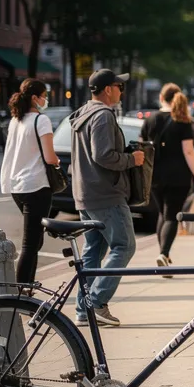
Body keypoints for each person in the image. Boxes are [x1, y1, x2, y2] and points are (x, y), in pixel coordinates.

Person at [69, 70, 143, 327]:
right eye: (118, 86)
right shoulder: (102, 116)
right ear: (107, 89)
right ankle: (97, 303)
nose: (121, 90)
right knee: (125, 246)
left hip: (85, 194)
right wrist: (132, 159)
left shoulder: (82, 113)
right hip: (105, 195)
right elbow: (103, 155)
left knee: (93, 253)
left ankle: (83, 310)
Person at [0, 79, 61, 285]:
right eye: (44, 95)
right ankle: (23, 289)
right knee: (31, 244)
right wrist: (58, 161)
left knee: (34, 240)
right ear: (35, 98)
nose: (46, 100)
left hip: (18, 185)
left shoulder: (16, 120)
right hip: (36, 186)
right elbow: (50, 157)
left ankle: (27, 286)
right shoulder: (40, 120)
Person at [142, 84, 194, 271]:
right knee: (171, 216)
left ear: (162, 97)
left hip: (154, 176)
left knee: (163, 213)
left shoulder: (150, 119)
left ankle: (163, 253)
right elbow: (189, 152)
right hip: (178, 176)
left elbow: (142, 146)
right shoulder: (183, 121)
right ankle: (164, 253)